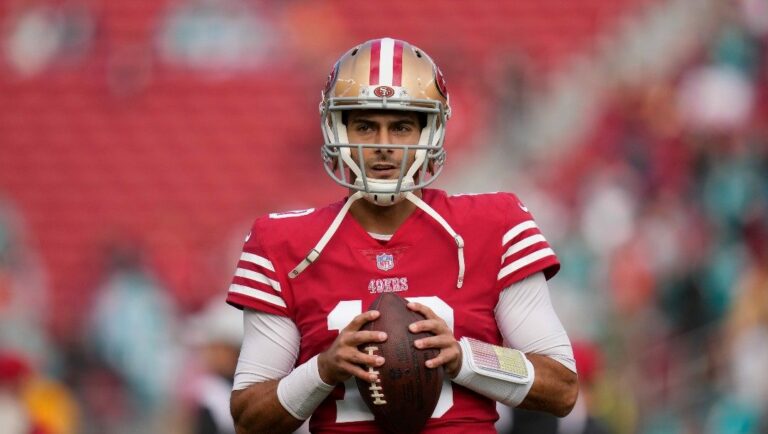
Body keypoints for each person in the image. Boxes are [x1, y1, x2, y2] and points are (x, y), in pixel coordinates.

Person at [227, 38, 578, 433]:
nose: (383, 145)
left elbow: (562, 387)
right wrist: (322, 370)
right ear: (335, 128)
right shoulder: (283, 242)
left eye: (401, 127)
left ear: (430, 133)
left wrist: (466, 358)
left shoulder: (494, 225)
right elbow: (248, 419)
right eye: (365, 126)